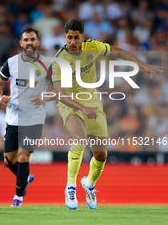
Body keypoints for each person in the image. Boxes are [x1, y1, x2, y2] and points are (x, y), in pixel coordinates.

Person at [51, 19, 163, 210]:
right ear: (65, 37)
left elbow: (118, 52)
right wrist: (82, 107)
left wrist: (141, 65)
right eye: (69, 37)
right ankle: (70, 187)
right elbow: (59, 94)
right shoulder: (59, 60)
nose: (72, 41)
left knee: (101, 155)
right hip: (70, 104)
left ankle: (89, 184)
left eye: (76, 37)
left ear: (82, 37)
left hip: (92, 103)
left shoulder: (92, 46)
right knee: (79, 138)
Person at [0, 28, 52, 206]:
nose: (29, 43)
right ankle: (25, 177)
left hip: (34, 117)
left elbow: (60, 90)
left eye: (32, 39)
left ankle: (18, 198)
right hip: (14, 117)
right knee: (9, 160)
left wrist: (45, 97)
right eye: (26, 40)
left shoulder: (47, 64)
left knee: (23, 156)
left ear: (37, 42)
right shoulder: (11, 63)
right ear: (21, 43)